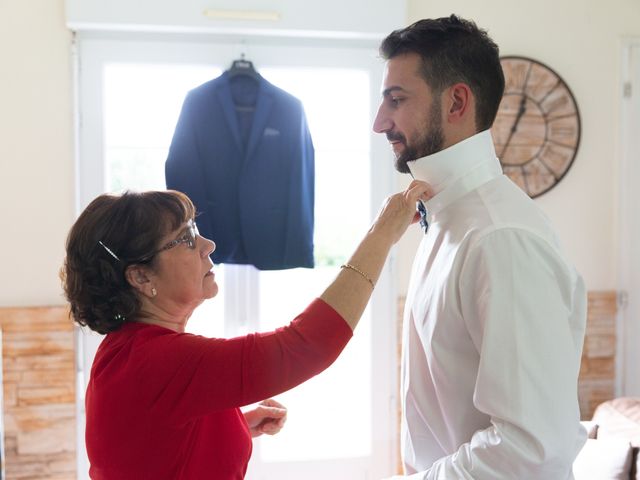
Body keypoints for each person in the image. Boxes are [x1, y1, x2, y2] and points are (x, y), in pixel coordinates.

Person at [61, 182, 431, 480]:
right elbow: (307, 346)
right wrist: (383, 233)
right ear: (140, 276)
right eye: (185, 238)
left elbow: (155, 443)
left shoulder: (126, 351)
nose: (208, 245)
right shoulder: (157, 362)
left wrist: (231, 424)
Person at [372, 15, 587, 479]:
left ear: (456, 102)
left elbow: (532, 447)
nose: (379, 122)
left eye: (396, 99)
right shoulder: (445, 220)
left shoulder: (500, 238)